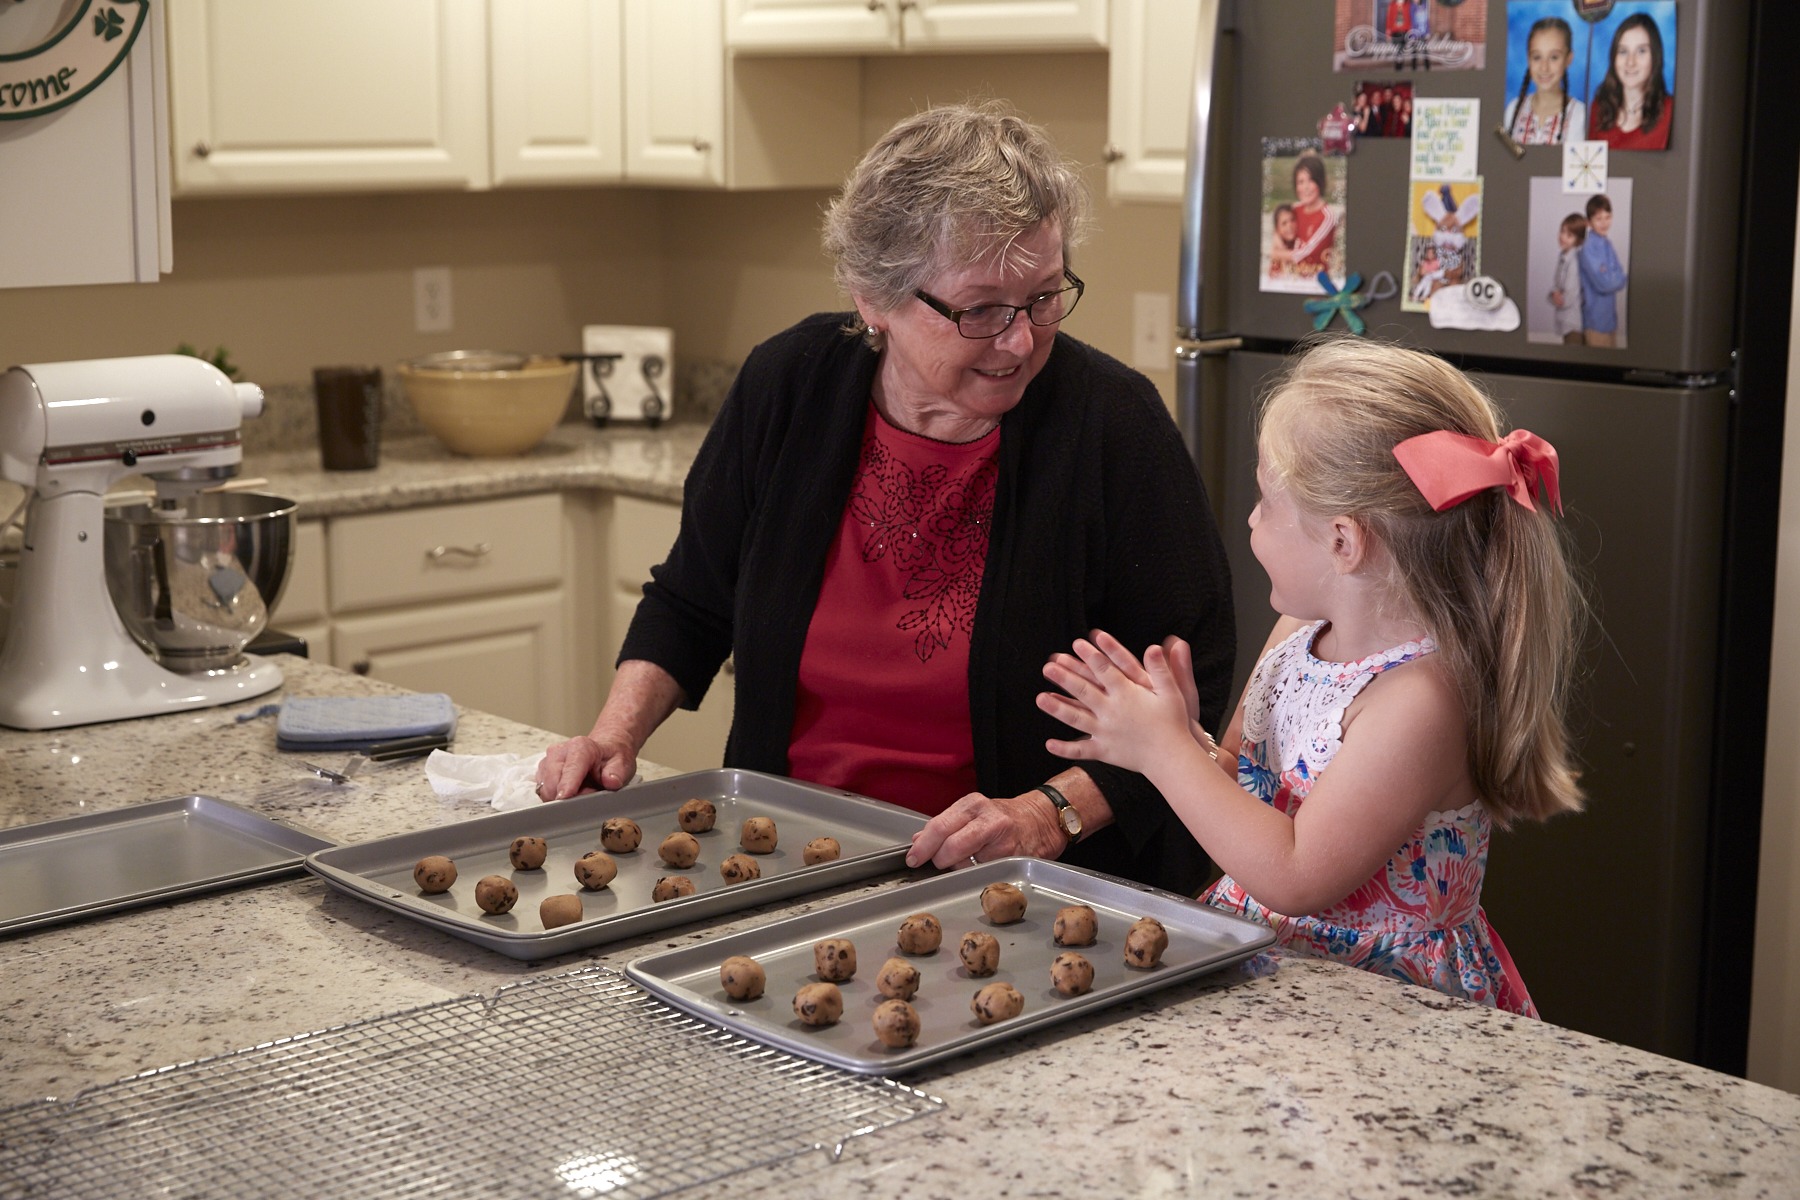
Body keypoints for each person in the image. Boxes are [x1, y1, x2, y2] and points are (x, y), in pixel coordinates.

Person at [535, 101, 1237, 897]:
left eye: (1044, 296)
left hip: (1022, 889)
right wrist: (611, 736)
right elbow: (695, 599)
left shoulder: (1112, 425)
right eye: (981, 309)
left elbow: (1193, 690)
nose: (1019, 338)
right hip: (782, 862)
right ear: (875, 298)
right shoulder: (788, 384)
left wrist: (1046, 817)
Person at [1038, 339, 1584, 1015]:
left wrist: (1165, 754)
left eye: (1267, 500)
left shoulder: (1419, 701)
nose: (1250, 519)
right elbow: (1246, 781)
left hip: (1383, 1010)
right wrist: (1183, 736)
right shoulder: (1300, 633)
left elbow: (1296, 875)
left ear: (1342, 542)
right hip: (1271, 968)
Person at [1589, 13, 1673, 151]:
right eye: (1623, 51)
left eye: (1641, 51)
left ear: (1655, 57)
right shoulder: (1599, 108)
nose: (1630, 62)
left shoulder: (1671, 111)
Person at [1503, 16, 1587, 145]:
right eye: (1537, 57)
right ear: (1528, 58)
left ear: (1568, 59)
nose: (1544, 67)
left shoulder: (1580, 116)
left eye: (1554, 57)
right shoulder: (1513, 109)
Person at [1266, 153, 1338, 278]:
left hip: (1314, 279)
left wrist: (1276, 254)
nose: (1305, 187)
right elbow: (1279, 230)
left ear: (1320, 182)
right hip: (1290, 276)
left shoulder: (1327, 216)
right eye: (1300, 182)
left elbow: (1305, 253)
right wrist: (1277, 241)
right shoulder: (1295, 209)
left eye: (1311, 180)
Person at [1578, 193, 1626, 347]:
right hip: (1595, 322)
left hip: (1610, 320)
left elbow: (1620, 275)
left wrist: (1616, 277)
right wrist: (1618, 278)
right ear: (1589, 222)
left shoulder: (1607, 244)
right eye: (1599, 219)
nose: (1604, 223)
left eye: (1608, 217)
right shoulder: (1588, 248)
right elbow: (1605, 285)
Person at [1550, 213, 1587, 345]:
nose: (1562, 237)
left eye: (1569, 235)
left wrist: (1559, 298)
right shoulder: (1562, 258)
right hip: (1564, 320)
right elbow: (1556, 284)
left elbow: (1571, 293)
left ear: (1578, 240)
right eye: (1562, 231)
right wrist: (1553, 294)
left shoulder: (1575, 261)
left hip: (1573, 322)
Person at [1268, 203, 1297, 277]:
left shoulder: (1301, 242)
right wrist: (1281, 247)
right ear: (1277, 229)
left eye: (1293, 220)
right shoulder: (1276, 250)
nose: (1290, 226)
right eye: (1284, 223)